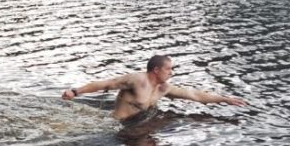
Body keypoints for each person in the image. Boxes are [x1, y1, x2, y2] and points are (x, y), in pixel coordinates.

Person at [61, 55, 247, 124]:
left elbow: (195, 95)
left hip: (136, 122)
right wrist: (76, 92)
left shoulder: (163, 88)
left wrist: (224, 99)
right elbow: (105, 84)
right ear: (156, 70)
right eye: (168, 69)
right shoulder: (136, 80)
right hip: (113, 125)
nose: (171, 73)